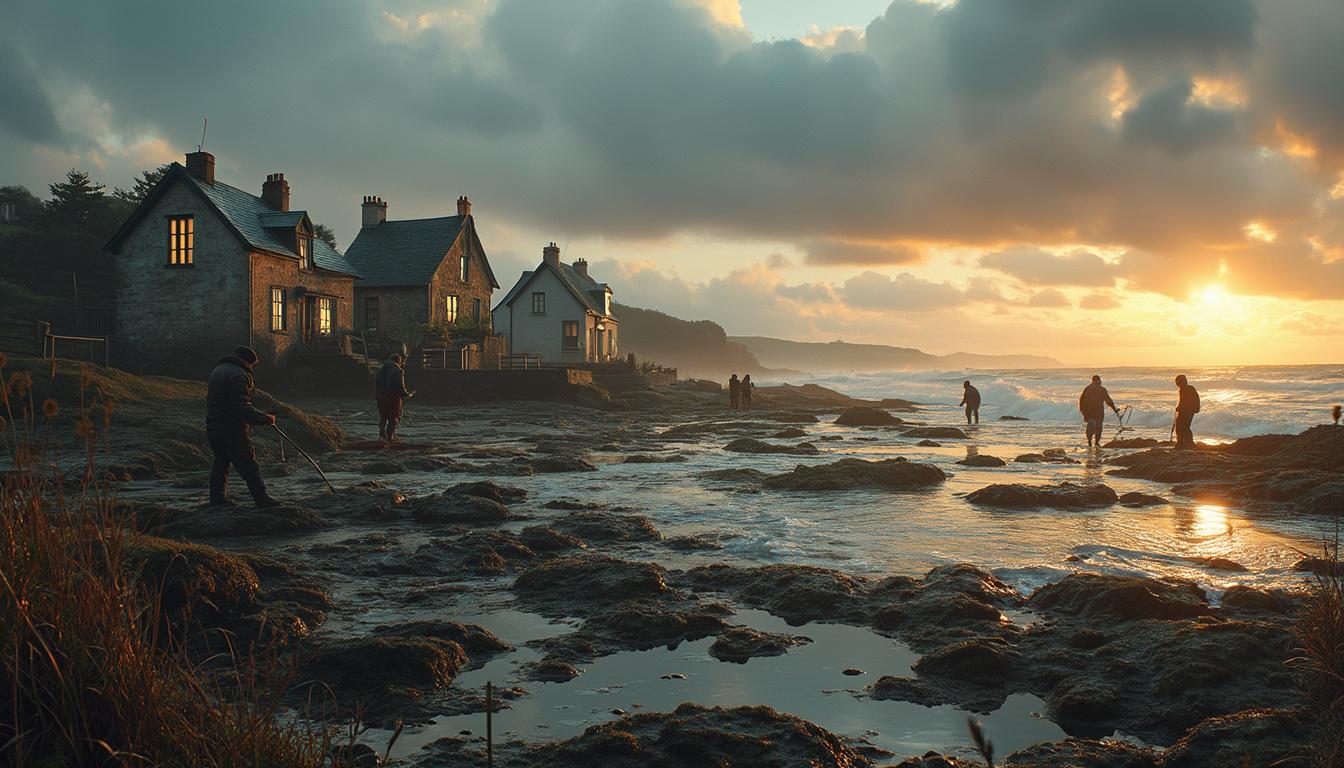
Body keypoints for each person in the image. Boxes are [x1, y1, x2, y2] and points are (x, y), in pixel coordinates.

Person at [206, 345, 280, 508]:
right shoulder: (240, 375)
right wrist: (264, 418)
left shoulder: (218, 370)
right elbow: (241, 406)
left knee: (221, 463)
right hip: (232, 428)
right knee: (249, 465)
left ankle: (217, 499)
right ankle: (261, 499)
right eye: (252, 365)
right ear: (248, 362)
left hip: (213, 425)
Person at [376, 354, 413, 441]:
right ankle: (390, 437)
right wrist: (406, 394)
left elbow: (377, 385)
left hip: (381, 396)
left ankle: (382, 434)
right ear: (398, 361)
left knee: (383, 416)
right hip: (393, 397)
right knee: (394, 417)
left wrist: (377, 394)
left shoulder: (381, 370)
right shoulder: (398, 370)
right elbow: (400, 385)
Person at [1078, 374, 1121, 448]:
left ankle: (1096, 443)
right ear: (1095, 381)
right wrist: (1084, 412)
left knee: (1098, 427)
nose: (1099, 382)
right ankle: (1090, 442)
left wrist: (1115, 409)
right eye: (1098, 381)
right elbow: (1082, 402)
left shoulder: (1100, 389)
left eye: (1099, 380)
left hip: (1098, 412)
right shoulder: (1088, 390)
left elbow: (1108, 401)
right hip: (1090, 412)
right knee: (1092, 426)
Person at [1174, 374, 1200, 449]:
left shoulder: (1184, 389)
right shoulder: (1189, 388)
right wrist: (1179, 407)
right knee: (1184, 427)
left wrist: (1179, 408)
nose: (1177, 384)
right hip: (1189, 410)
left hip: (1187, 411)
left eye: (1177, 382)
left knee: (1182, 427)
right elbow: (1184, 401)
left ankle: (1185, 442)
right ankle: (1185, 442)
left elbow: (1184, 401)